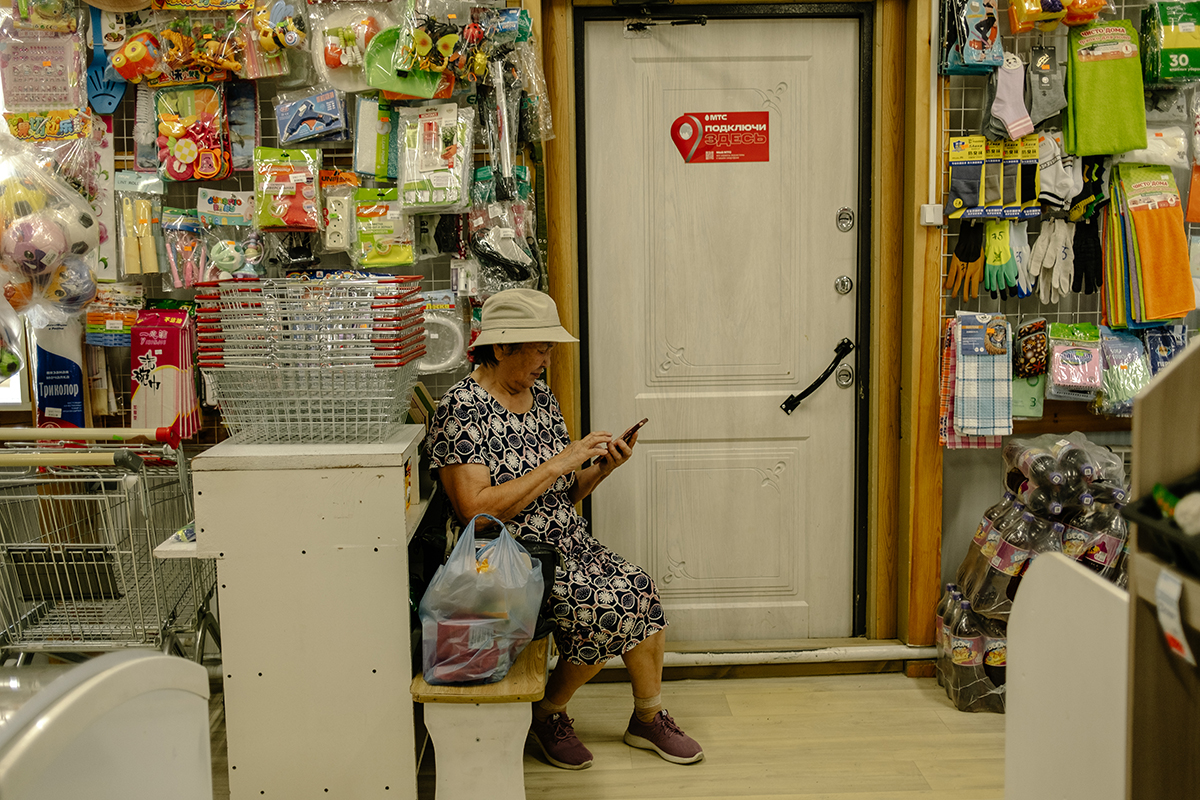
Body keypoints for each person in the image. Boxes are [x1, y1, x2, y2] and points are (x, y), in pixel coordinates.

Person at [425, 288, 704, 770]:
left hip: (566, 544)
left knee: (643, 589)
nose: (547, 359)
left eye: (549, 349)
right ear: (501, 346)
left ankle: (646, 717)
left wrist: (603, 467)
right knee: (610, 608)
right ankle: (549, 712)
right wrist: (560, 462)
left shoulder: (541, 398)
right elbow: (476, 512)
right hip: (508, 561)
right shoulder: (460, 409)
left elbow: (565, 494)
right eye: (540, 347)